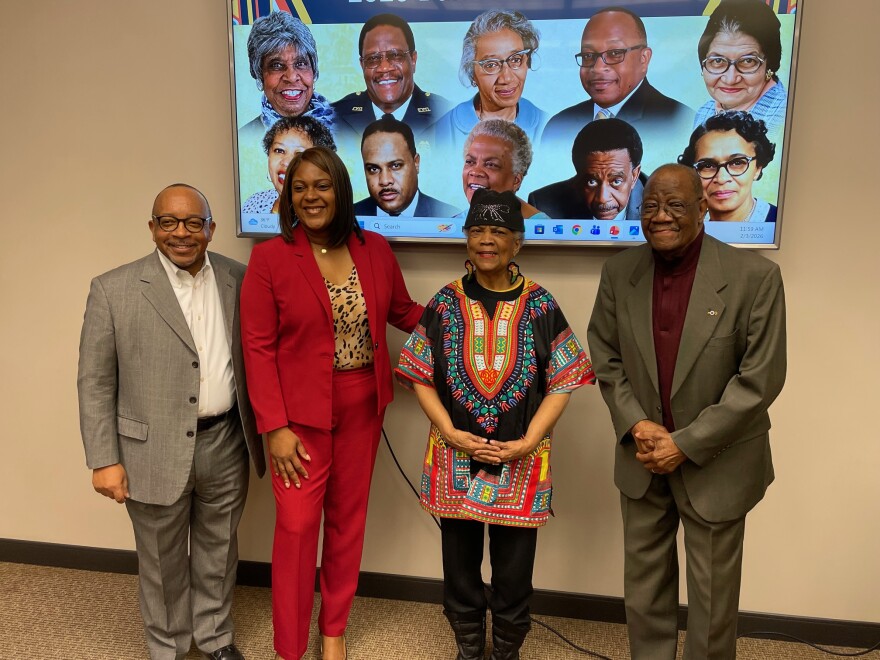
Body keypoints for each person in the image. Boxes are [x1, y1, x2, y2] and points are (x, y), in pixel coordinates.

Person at [587, 164, 786, 660]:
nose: (660, 217)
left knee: (714, 601)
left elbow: (759, 380)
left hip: (716, 462)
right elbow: (606, 357)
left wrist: (685, 443)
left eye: (675, 205)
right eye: (650, 205)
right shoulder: (618, 273)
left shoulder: (755, 277)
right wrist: (638, 426)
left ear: (703, 208)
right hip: (643, 457)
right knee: (645, 590)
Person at [240, 147, 423, 660]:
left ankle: (334, 629)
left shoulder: (376, 249)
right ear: (288, 196)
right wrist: (273, 426)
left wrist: (471, 312)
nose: (310, 196)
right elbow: (257, 347)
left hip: (364, 405)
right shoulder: (270, 258)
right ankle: (291, 647)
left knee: (347, 522)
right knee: (297, 529)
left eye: (321, 185)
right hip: (298, 420)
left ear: (341, 190)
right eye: (299, 187)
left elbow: (405, 312)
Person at [397, 188, 594, 660]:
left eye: (499, 231)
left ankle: (507, 648)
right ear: (465, 237)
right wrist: (447, 429)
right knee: (459, 565)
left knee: (514, 569)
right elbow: (419, 375)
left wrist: (529, 440)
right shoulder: (444, 303)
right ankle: (468, 646)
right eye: (478, 230)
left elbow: (564, 379)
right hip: (454, 457)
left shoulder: (541, 304)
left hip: (521, 461)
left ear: (518, 242)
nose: (487, 240)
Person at [77, 184, 265, 660]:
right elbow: (95, 381)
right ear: (152, 228)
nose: (181, 233)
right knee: (161, 562)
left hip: (226, 440)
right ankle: (168, 648)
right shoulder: (113, 288)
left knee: (219, 552)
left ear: (211, 228)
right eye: (168, 222)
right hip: (148, 449)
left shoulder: (238, 279)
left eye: (193, 223)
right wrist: (104, 460)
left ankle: (217, 639)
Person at [542, 8, 691, 173]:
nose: (598, 68)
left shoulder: (679, 120)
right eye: (588, 56)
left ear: (644, 59)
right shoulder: (558, 126)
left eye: (614, 53)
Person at [433, 10, 548, 161]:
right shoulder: (440, 132)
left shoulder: (548, 126)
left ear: (527, 61)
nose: (506, 78)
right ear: (472, 73)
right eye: (491, 64)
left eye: (516, 59)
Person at [332, 14, 451, 142]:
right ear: (362, 65)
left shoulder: (445, 116)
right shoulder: (334, 118)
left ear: (413, 60)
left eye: (396, 55)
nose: (384, 68)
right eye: (373, 59)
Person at [694, 0, 788, 141]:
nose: (730, 79)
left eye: (748, 61)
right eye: (718, 61)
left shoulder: (784, 117)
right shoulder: (704, 113)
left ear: (770, 66)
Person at [239, 12, 334, 145]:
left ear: (313, 71)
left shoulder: (349, 128)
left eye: (300, 63)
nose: (291, 77)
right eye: (276, 65)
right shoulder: (244, 139)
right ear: (260, 75)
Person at [529, 117, 646, 220]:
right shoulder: (543, 206)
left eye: (616, 181)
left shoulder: (660, 203)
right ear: (578, 176)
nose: (603, 199)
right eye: (592, 182)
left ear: (634, 176)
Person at [679, 110, 777, 222]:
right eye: (707, 165)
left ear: (758, 169)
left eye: (737, 163)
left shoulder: (783, 221)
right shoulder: (684, 226)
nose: (721, 179)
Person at [354, 115, 459, 217]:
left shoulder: (450, 216)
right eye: (373, 169)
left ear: (416, 163)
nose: (385, 181)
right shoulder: (347, 217)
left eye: (395, 165)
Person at [242, 115, 336, 215]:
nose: (286, 162)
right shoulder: (254, 204)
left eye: (300, 154)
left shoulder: (329, 211)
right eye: (279, 150)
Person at [460, 119, 546, 220]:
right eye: (470, 162)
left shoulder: (544, 230)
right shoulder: (452, 224)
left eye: (490, 164)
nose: (475, 172)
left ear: (516, 181)